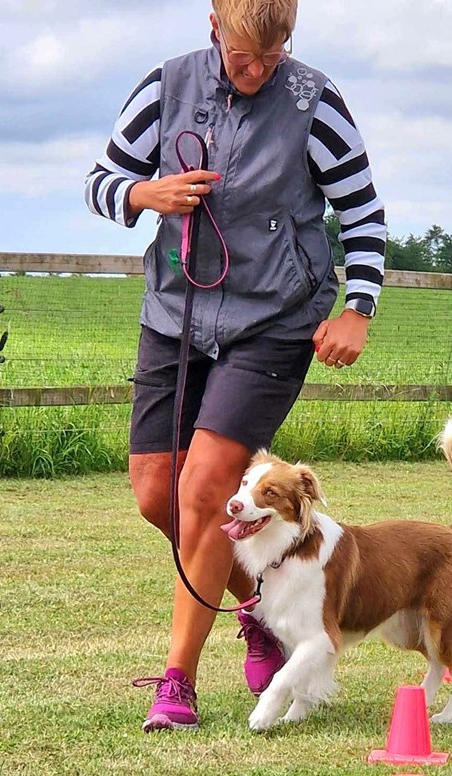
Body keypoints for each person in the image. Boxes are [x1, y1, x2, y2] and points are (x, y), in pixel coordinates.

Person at [84, 0, 386, 732]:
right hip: (176, 312)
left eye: (272, 55)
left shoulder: (315, 101)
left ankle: (177, 683)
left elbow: (363, 212)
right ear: (213, 26)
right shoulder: (165, 87)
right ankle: (253, 601)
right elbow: (99, 182)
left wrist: (358, 307)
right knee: (155, 491)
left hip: (276, 321)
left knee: (206, 487)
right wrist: (143, 193)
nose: (256, 70)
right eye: (243, 54)